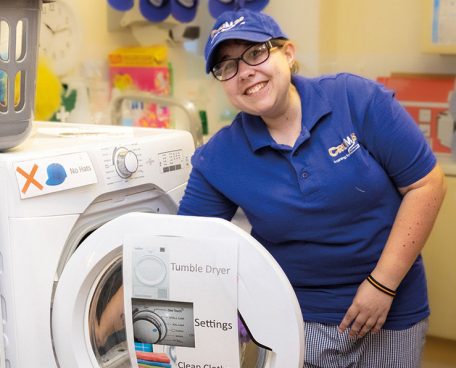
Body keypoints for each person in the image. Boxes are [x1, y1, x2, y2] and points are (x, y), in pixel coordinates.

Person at [177, 8, 447, 368]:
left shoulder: (355, 99)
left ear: (287, 53)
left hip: (392, 306)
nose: (245, 72)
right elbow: (181, 246)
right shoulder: (220, 157)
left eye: (255, 53)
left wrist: (382, 285)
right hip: (296, 317)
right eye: (227, 67)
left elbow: (426, 184)